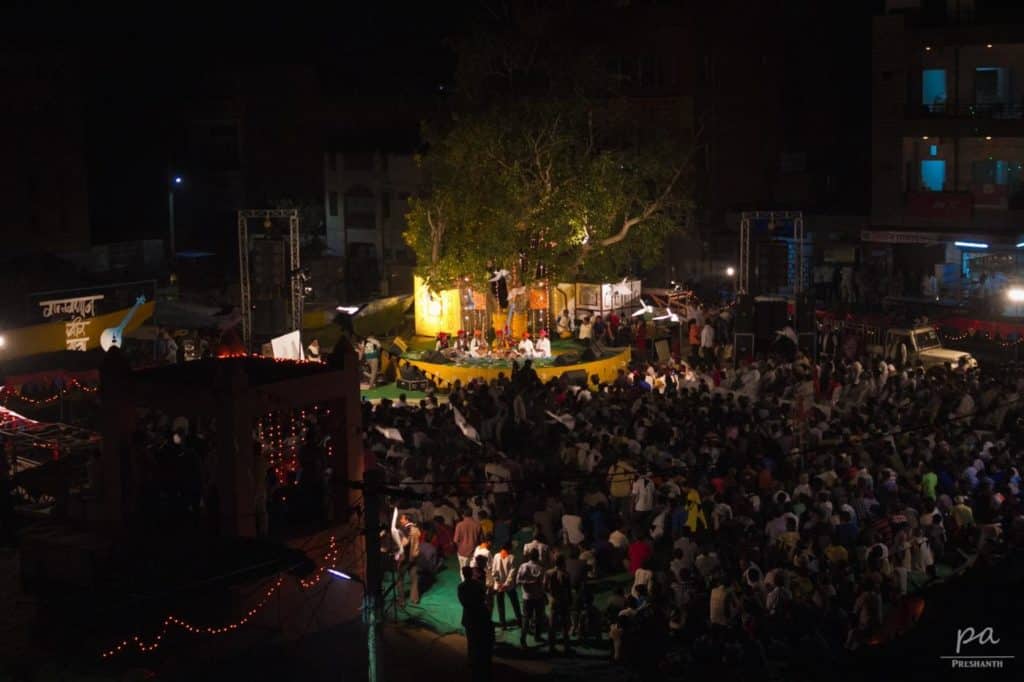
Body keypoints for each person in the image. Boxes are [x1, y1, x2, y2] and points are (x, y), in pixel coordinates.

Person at [458, 565, 494, 682]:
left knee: (471, 639)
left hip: (470, 615)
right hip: (479, 614)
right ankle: (481, 661)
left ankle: (472, 661)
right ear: (471, 574)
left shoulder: (462, 587)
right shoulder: (478, 584)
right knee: (480, 638)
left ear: (463, 574)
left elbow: (463, 602)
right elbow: (484, 596)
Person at [544, 554, 574, 654]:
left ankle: (551, 646)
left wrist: (549, 595)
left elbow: (545, 587)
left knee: (552, 624)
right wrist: (570, 600)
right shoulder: (566, 574)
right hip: (563, 600)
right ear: (563, 562)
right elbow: (568, 590)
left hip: (553, 600)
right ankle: (566, 646)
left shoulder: (549, 573)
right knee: (565, 624)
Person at [517, 548, 546, 648]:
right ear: (538, 556)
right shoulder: (541, 568)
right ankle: (537, 636)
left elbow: (518, 581)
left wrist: (527, 583)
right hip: (538, 597)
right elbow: (543, 585)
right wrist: (534, 583)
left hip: (527, 597)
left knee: (526, 618)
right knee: (538, 618)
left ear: (529, 556)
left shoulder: (523, 566)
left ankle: (523, 638)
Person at [491, 544, 522, 629]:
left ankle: (503, 624)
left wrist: (499, 583)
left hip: (499, 586)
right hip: (508, 586)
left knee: (500, 605)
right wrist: (505, 584)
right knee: (515, 603)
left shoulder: (496, 556)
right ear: (509, 549)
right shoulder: (512, 557)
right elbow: (512, 574)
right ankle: (519, 621)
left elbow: (493, 571)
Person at [396, 513, 421, 606]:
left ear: (407, 520)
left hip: (405, 558)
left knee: (400, 579)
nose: (400, 521)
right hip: (414, 557)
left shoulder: (405, 530)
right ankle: (414, 599)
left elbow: (405, 543)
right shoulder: (416, 529)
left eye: (402, 519)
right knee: (414, 578)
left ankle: (401, 600)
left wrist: (397, 546)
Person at [454, 508, 483, 581]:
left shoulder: (459, 525)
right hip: (474, 551)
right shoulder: (478, 524)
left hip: (462, 552)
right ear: (472, 514)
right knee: (474, 570)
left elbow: (455, 540)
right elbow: (481, 539)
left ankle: (465, 583)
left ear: (463, 515)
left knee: (463, 569)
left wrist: (460, 547)